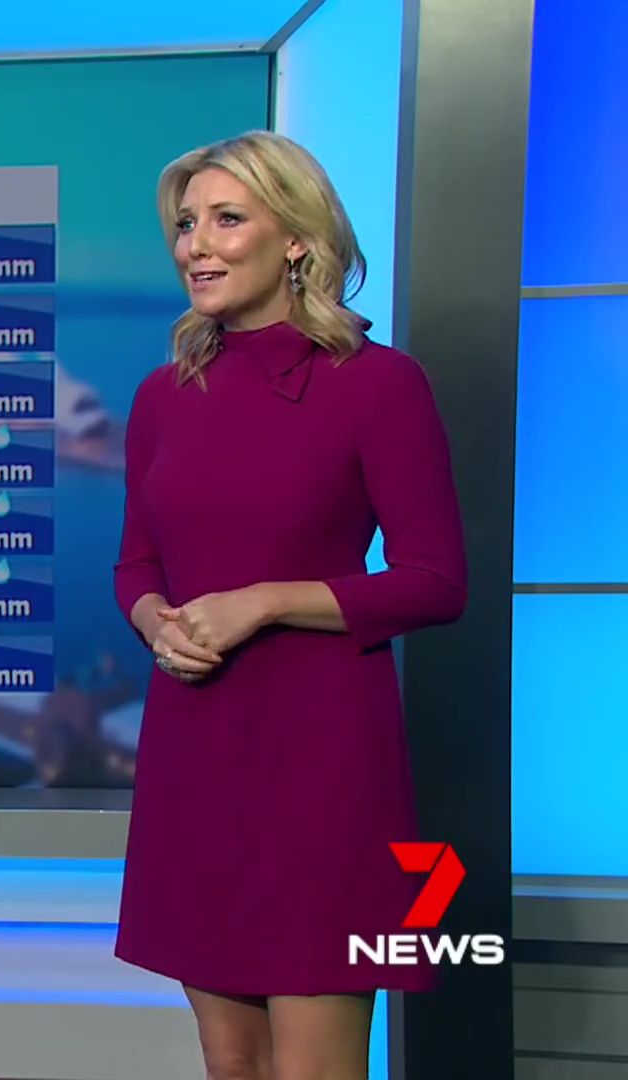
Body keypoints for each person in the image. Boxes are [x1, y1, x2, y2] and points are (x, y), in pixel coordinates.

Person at [112, 131, 467, 1080]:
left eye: (227, 219)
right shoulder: (162, 396)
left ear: (298, 238)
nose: (196, 244)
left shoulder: (378, 385)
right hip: (195, 748)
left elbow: (437, 580)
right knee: (232, 1063)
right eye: (186, 224)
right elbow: (136, 563)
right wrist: (155, 620)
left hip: (322, 758)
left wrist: (265, 603)